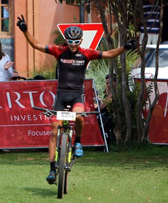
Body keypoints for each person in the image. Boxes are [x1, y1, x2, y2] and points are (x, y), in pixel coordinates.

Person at [16, 15, 134, 184]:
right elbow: (36, 45)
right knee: (54, 130)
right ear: (66, 41)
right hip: (62, 96)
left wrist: (125, 47)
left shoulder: (86, 54)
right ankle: (51, 170)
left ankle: (78, 142)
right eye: (70, 41)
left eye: (76, 41)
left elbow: (108, 54)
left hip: (77, 95)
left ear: (80, 41)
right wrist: (25, 30)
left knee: (79, 116)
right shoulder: (59, 51)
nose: (73, 44)